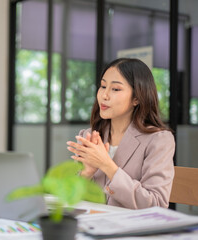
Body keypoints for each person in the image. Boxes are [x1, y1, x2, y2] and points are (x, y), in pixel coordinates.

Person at [67, 58, 175, 209]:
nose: (104, 95)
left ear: (137, 98)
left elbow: (156, 204)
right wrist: (86, 173)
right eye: (103, 86)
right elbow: (70, 200)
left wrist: (108, 166)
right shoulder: (89, 136)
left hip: (132, 229)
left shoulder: (159, 140)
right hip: (92, 225)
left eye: (115, 89)